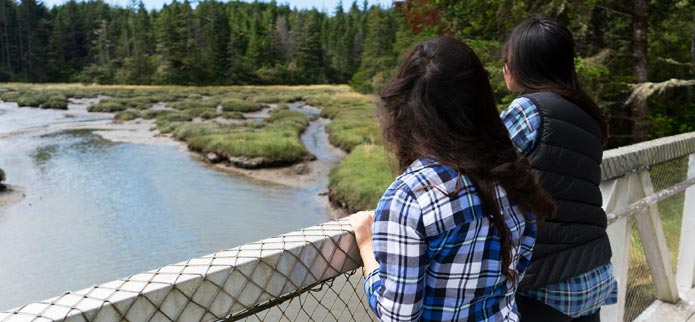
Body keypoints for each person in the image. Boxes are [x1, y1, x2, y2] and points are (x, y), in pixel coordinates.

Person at [349, 36, 555, 322]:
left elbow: (398, 315)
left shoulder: (409, 196)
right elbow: (515, 273)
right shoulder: (514, 178)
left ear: (405, 110)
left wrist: (367, 248)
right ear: (481, 103)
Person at [500, 18, 618, 322]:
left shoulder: (527, 110)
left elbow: (482, 166)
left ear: (527, 64)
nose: (504, 65)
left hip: (547, 281)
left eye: (508, 57)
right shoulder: (589, 114)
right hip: (593, 271)